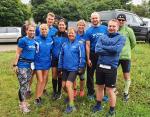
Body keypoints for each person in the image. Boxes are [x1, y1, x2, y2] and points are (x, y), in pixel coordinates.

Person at [92, 19, 125, 116]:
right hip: (100, 66)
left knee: (110, 90)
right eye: (110, 26)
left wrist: (105, 47)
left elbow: (117, 49)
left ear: (118, 28)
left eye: (114, 26)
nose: (111, 28)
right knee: (99, 87)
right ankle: (98, 105)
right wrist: (111, 49)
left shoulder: (121, 38)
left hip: (111, 67)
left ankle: (112, 111)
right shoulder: (102, 37)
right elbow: (97, 49)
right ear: (108, 27)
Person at [58, 28, 86, 113]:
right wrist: (60, 67)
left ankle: (71, 105)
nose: (71, 35)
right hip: (65, 68)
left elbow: (82, 56)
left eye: (72, 33)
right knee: (63, 86)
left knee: (68, 85)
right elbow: (61, 56)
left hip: (74, 69)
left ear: (75, 34)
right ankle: (70, 96)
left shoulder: (79, 44)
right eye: (69, 33)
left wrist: (81, 66)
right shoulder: (64, 44)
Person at [13, 24, 36, 113]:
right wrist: (15, 65)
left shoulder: (34, 41)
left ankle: (24, 102)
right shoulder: (23, 40)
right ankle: (22, 105)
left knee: (26, 85)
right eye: (30, 30)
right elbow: (18, 53)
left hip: (30, 66)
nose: (32, 32)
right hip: (22, 65)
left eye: (33, 31)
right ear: (26, 31)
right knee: (23, 85)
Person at [86, 12, 107, 99]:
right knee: (90, 74)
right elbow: (87, 45)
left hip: (103, 55)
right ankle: (90, 92)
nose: (94, 20)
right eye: (93, 18)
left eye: (96, 18)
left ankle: (103, 94)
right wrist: (88, 59)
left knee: (103, 74)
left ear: (99, 19)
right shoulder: (88, 30)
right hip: (92, 54)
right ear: (91, 20)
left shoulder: (105, 28)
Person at [35, 12, 58, 95]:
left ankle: (43, 89)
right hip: (39, 55)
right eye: (49, 19)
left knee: (47, 73)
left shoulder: (55, 30)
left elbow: (56, 42)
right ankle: (30, 89)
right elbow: (35, 39)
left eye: (52, 19)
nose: (50, 20)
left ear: (54, 20)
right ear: (46, 19)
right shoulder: (39, 28)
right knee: (37, 74)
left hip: (50, 54)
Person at [117, 14, 136, 101]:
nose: (121, 21)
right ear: (117, 20)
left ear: (125, 21)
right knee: (113, 74)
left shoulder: (129, 30)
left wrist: (127, 50)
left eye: (122, 20)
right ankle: (114, 89)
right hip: (115, 56)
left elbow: (133, 43)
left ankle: (126, 92)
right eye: (119, 19)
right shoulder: (114, 29)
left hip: (126, 57)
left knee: (126, 75)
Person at [34, 24, 53, 105]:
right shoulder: (36, 39)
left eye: (45, 29)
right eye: (42, 29)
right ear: (40, 30)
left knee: (44, 80)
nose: (44, 31)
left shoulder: (50, 39)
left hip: (47, 62)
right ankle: (36, 98)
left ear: (48, 30)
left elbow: (51, 51)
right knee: (40, 80)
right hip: (38, 63)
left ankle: (40, 96)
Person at [51, 19, 68, 100]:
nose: (61, 26)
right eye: (60, 25)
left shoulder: (68, 36)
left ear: (65, 26)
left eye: (63, 25)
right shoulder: (54, 34)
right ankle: (54, 91)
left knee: (60, 75)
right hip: (54, 58)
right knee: (54, 75)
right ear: (58, 26)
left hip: (63, 59)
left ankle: (59, 92)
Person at [73, 19, 86, 97]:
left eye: (82, 25)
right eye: (79, 25)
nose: (81, 26)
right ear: (77, 26)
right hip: (73, 58)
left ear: (84, 26)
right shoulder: (74, 34)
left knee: (82, 76)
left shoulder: (86, 35)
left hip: (82, 59)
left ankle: (81, 90)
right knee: (73, 75)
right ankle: (74, 89)